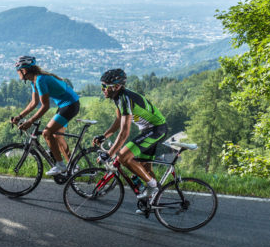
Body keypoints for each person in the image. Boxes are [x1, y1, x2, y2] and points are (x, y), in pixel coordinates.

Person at [93, 68, 168, 202]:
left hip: (156, 129)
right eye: (102, 85)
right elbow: (118, 121)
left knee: (123, 157)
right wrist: (104, 136)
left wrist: (109, 153)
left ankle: (153, 187)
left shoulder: (125, 99)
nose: (102, 89)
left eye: (105, 86)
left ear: (116, 87)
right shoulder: (118, 97)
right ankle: (153, 203)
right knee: (144, 170)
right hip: (149, 130)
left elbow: (124, 133)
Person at [11, 56, 81, 176]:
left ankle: (60, 165)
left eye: (18, 70)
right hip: (66, 105)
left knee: (46, 133)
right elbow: (34, 103)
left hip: (70, 105)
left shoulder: (40, 80)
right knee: (56, 135)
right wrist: (20, 116)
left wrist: (30, 121)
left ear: (24, 70)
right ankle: (73, 166)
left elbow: (45, 106)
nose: (17, 73)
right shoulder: (34, 81)